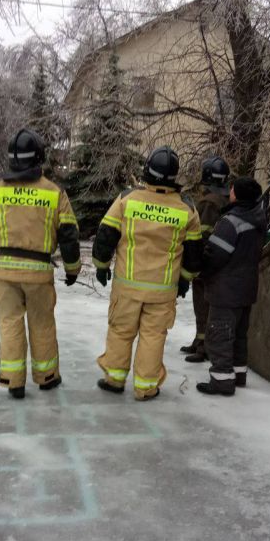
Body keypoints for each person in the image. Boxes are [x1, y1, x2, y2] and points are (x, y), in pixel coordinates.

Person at [0, 128, 81, 399]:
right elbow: (69, 234)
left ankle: (13, 380)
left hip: (5, 273)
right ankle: (46, 377)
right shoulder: (54, 193)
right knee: (42, 323)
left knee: (9, 323)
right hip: (39, 274)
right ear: (39, 158)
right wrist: (72, 268)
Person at [92, 146, 202, 401]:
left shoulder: (127, 199)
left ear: (147, 170)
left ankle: (114, 379)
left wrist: (101, 265)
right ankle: (146, 387)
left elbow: (106, 235)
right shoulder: (187, 209)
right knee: (153, 337)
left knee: (120, 331)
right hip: (162, 291)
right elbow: (195, 252)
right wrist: (186, 278)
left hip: (127, 287)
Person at [196, 176, 267, 397]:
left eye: (233, 189)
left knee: (219, 336)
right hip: (246, 287)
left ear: (239, 194)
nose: (230, 191)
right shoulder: (257, 218)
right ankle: (238, 375)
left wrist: (201, 272)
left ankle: (221, 381)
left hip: (226, 289)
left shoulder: (231, 222)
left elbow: (215, 255)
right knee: (238, 336)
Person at [180, 155, 231, 363]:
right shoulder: (225, 198)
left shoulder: (209, 202)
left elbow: (202, 235)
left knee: (203, 306)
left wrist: (194, 261)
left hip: (205, 263)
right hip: (218, 263)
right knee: (203, 305)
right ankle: (199, 341)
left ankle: (203, 347)